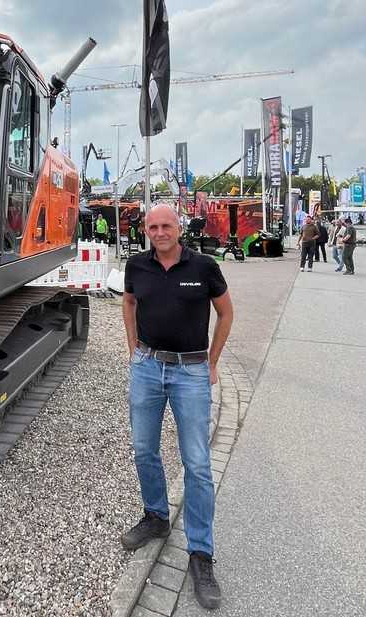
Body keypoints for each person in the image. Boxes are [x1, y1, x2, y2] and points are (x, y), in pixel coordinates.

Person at [121, 205, 234, 610]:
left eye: (166, 225)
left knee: (198, 464)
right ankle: (156, 516)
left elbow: (226, 313)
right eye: (153, 226)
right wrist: (134, 351)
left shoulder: (203, 266)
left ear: (179, 227)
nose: (159, 231)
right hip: (148, 369)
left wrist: (213, 362)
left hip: (191, 373)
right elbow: (129, 304)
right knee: (143, 449)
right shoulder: (136, 265)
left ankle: (200, 555)